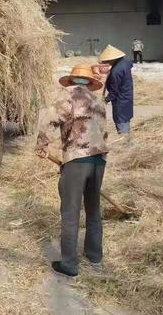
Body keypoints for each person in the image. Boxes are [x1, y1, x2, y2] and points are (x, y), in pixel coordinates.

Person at [36, 64, 108, 278]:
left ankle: (69, 264)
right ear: (88, 82)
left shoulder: (68, 96)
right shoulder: (97, 100)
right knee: (93, 209)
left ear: (72, 79)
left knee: (70, 211)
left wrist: (42, 143)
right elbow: (104, 132)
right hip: (99, 159)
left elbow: (50, 119)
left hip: (77, 159)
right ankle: (94, 256)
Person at [100, 45, 133, 136]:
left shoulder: (116, 71)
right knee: (125, 118)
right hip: (127, 95)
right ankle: (126, 139)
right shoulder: (125, 62)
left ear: (112, 59)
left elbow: (114, 90)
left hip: (120, 99)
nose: (106, 62)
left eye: (107, 61)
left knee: (121, 120)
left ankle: (125, 142)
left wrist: (106, 100)